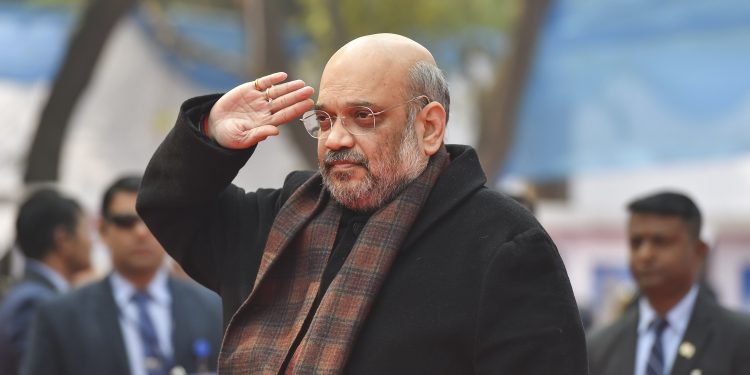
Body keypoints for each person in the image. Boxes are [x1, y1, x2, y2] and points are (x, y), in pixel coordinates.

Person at [136, 33, 587, 374]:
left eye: (362, 116)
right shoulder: (283, 219)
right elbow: (169, 205)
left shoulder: (502, 245)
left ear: (429, 127)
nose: (335, 139)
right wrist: (211, 136)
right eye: (325, 118)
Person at [22, 176, 223, 375]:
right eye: (125, 222)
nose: (141, 231)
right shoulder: (60, 317)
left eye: (153, 219)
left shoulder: (212, 308)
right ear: (102, 229)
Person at [587, 191, 750, 375]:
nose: (645, 255)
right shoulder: (599, 347)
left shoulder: (740, 339)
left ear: (699, 251)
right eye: (636, 243)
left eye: (660, 242)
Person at [0, 188, 92, 375]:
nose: (91, 242)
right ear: (63, 239)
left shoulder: (36, 293)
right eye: (86, 230)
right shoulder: (34, 301)